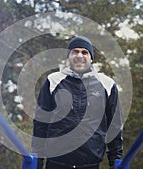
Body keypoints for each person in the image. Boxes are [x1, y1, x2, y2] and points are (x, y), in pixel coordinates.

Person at [32, 36, 123, 169]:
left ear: (91, 58)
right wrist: (37, 163)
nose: (79, 55)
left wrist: (116, 162)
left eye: (84, 52)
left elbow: (114, 128)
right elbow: (40, 124)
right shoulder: (53, 81)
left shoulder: (107, 85)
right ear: (69, 56)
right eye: (75, 52)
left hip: (90, 164)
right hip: (56, 163)